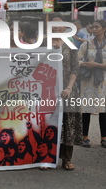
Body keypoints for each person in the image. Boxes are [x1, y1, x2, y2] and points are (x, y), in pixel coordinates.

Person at [48, 14, 82, 171]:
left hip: (68, 90)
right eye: (52, 25)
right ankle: (47, 158)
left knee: (68, 124)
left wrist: (68, 87)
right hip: (48, 90)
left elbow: (74, 69)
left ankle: (66, 159)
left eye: (59, 25)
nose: (55, 27)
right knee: (48, 123)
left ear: (65, 28)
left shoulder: (70, 44)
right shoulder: (43, 43)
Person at [79, 20, 106, 148]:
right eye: (92, 27)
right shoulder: (87, 45)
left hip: (103, 82)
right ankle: (85, 137)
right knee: (86, 109)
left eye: (97, 27)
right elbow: (77, 60)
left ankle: (104, 138)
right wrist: (84, 64)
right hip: (88, 81)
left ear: (104, 29)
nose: (94, 29)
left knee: (103, 109)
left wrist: (97, 65)